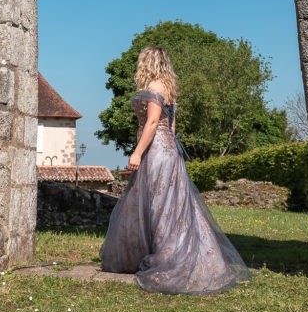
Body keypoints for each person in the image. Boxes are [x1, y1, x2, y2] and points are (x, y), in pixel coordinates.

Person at [100, 46, 253, 294]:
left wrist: (137, 152)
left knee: (159, 206)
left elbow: (151, 123)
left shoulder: (154, 88)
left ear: (147, 63)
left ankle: (168, 259)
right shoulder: (168, 89)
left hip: (157, 151)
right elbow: (171, 126)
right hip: (169, 151)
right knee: (173, 205)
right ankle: (176, 252)